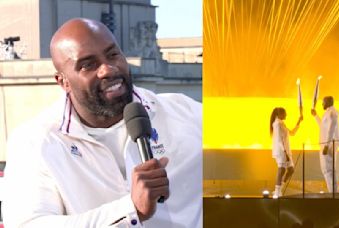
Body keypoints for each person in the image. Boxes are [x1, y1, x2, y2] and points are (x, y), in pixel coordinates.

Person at [2, 18, 202, 227]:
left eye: (113, 54)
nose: (107, 69)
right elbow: (29, 223)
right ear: (63, 81)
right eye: (88, 65)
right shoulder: (36, 141)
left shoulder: (186, 113)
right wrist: (130, 210)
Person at [270, 107, 302, 197]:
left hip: (286, 151)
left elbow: (292, 133)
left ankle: (280, 188)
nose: (286, 115)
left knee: (291, 170)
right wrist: (285, 152)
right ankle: (277, 192)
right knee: (282, 170)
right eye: (284, 113)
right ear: (279, 114)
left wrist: (299, 121)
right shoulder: (277, 124)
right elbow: (279, 140)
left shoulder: (282, 123)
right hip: (281, 151)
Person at [311, 96, 339, 193]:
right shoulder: (329, 112)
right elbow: (323, 127)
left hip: (328, 144)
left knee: (327, 169)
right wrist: (315, 116)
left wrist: (327, 145)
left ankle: (333, 194)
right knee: (331, 169)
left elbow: (331, 129)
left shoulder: (332, 113)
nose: (322, 104)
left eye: (323, 102)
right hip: (328, 143)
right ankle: (334, 192)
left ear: (328, 102)